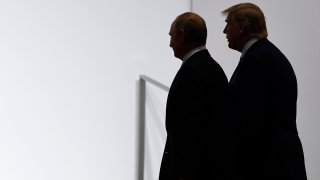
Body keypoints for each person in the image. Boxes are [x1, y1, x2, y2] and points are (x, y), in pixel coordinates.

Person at [222, 3, 308, 180]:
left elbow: (250, 121)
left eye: (228, 24)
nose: (224, 31)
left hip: (267, 165)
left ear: (242, 27)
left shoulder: (256, 60)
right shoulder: (267, 55)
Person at [158, 12, 229, 180]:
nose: (170, 43)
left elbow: (191, 130)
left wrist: (184, 172)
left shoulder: (191, 71)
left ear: (182, 35)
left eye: (171, 36)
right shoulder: (214, 68)